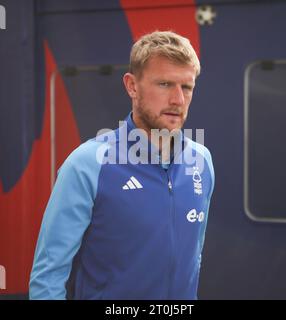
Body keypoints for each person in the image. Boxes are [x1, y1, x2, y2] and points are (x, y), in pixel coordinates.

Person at [29, 30, 215, 300]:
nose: (178, 99)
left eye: (186, 87)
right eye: (164, 84)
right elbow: (48, 278)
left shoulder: (202, 162)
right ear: (132, 86)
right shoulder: (88, 164)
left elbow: (192, 258)